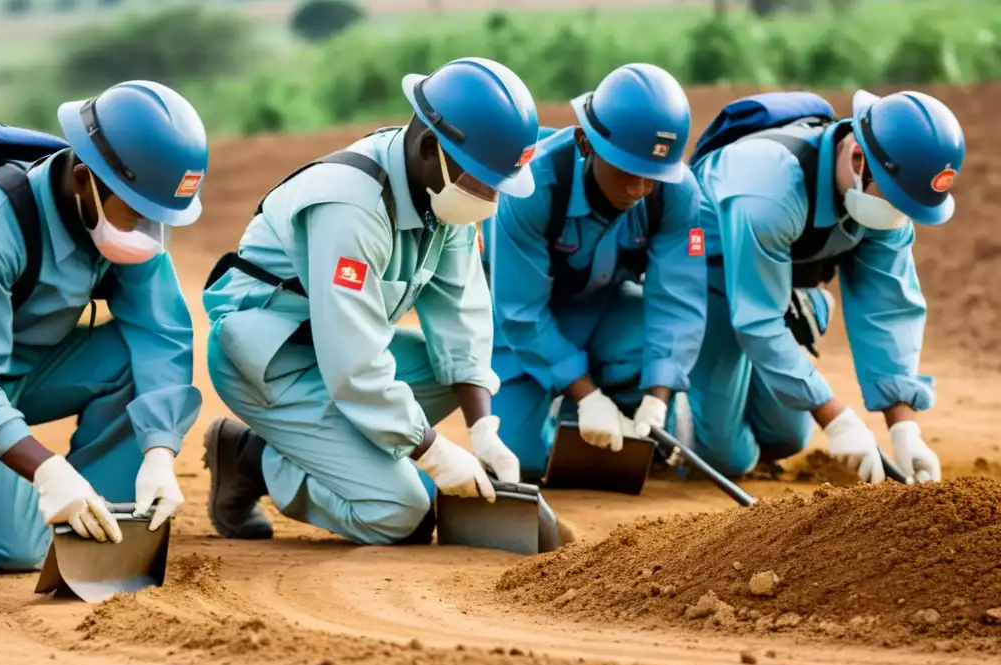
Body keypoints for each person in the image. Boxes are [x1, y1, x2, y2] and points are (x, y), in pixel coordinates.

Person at [201, 56, 538, 545]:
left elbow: (460, 316)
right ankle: (250, 458)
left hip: (330, 349)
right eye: (484, 181)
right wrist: (434, 452)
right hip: (270, 362)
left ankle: (338, 442)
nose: (490, 199)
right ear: (430, 147)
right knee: (403, 514)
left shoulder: (441, 193)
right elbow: (353, 365)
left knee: (453, 377)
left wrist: (483, 428)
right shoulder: (351, 208)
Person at [0, 80, 208, 573]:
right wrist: (46, 470)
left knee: (132, 357)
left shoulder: (123, 222)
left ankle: (98, 509)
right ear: (84, 179)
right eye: (139, 211)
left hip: (22, 374)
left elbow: (160, 333)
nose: (148, 231)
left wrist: (161, 452)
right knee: (17, 549)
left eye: (159, 216)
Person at [681, 89, 963, 483]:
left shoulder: (883, 196)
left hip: (773, 275)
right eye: (897, 201)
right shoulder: (768, 190)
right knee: (729, 457)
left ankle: (723, 388)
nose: (901, 215)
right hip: (706, 270)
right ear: (858, 159)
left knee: (787, 437)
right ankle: (671, 398)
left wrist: (904, 428)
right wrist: (836, 418)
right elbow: (757, 320)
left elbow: (888, 308)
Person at [482, 63, 708, 480]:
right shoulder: (529, 189)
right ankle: (578, 405)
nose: (638, 191)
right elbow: (520, 311)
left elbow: (679, 301)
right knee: (522, 460)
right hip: (520, 325)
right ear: (585, 142)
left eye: (651, 178)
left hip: (605, 311)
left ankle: (645, 417)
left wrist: (657, 397)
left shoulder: (678, 192)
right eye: (626, 172)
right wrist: (588, 397)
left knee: (654, 354)